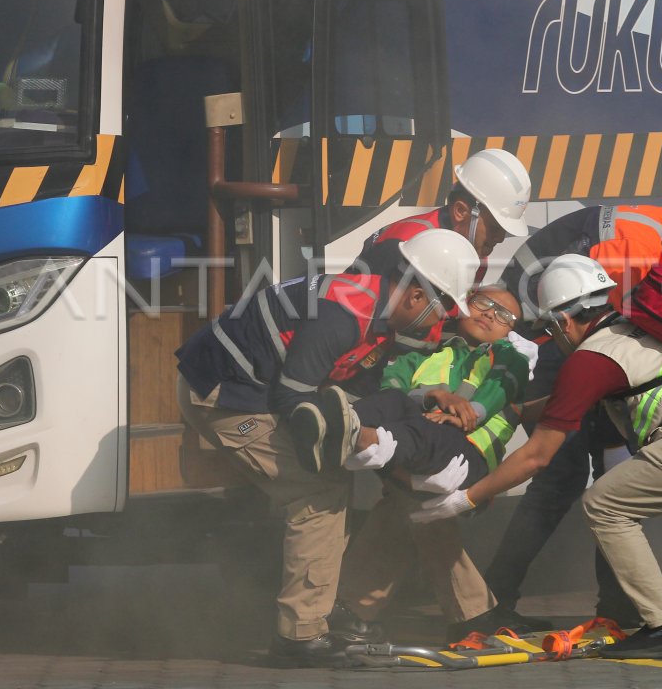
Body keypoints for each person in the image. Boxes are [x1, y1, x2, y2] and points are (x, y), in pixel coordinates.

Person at [413, 254, 662, 661]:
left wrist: (466, 498)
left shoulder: (592, 357)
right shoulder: (635, 331)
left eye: (550, 327)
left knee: (604, 504)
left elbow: (537, 457)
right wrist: (513, 410)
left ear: (563, 320)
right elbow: (566, 404)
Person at [175, 228, 480, 665]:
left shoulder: (375, 313)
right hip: (222, 393)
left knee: (330, 479)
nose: (441, 321)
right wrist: (360, 446)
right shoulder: (344, 315)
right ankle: (298, 637)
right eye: (444, 307)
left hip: (247, 387)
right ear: (416, 296)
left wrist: (413, 410)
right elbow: (292, 400)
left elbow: (356, 400)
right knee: (318, 490)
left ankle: (317, 614)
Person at [484, 204, 662, 628]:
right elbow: (601, 327)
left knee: (614, 475)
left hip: (558, 335)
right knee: (561, 475)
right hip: (547, 340)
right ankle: (490, 602)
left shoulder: (650, 231)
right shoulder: (641, 246)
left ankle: (616, 602)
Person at [333, 286, 531, 640]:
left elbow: (497, 391)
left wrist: (464, 415)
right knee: (413, 510)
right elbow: (391, 387)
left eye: (504, 315)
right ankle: (472, 618)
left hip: (464, 456)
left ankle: (351, 608)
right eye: (483, 303)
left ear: (510, 331)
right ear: (463, 303)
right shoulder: (423, 354)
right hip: (413, 448)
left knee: (408, 506)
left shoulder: (509, 358)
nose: (490, 314)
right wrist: (431, 399)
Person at [351, 148, 532, 284]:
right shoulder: (404, 247)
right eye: (495, 228)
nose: (500, 239)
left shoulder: (476, 254)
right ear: (461, 211)